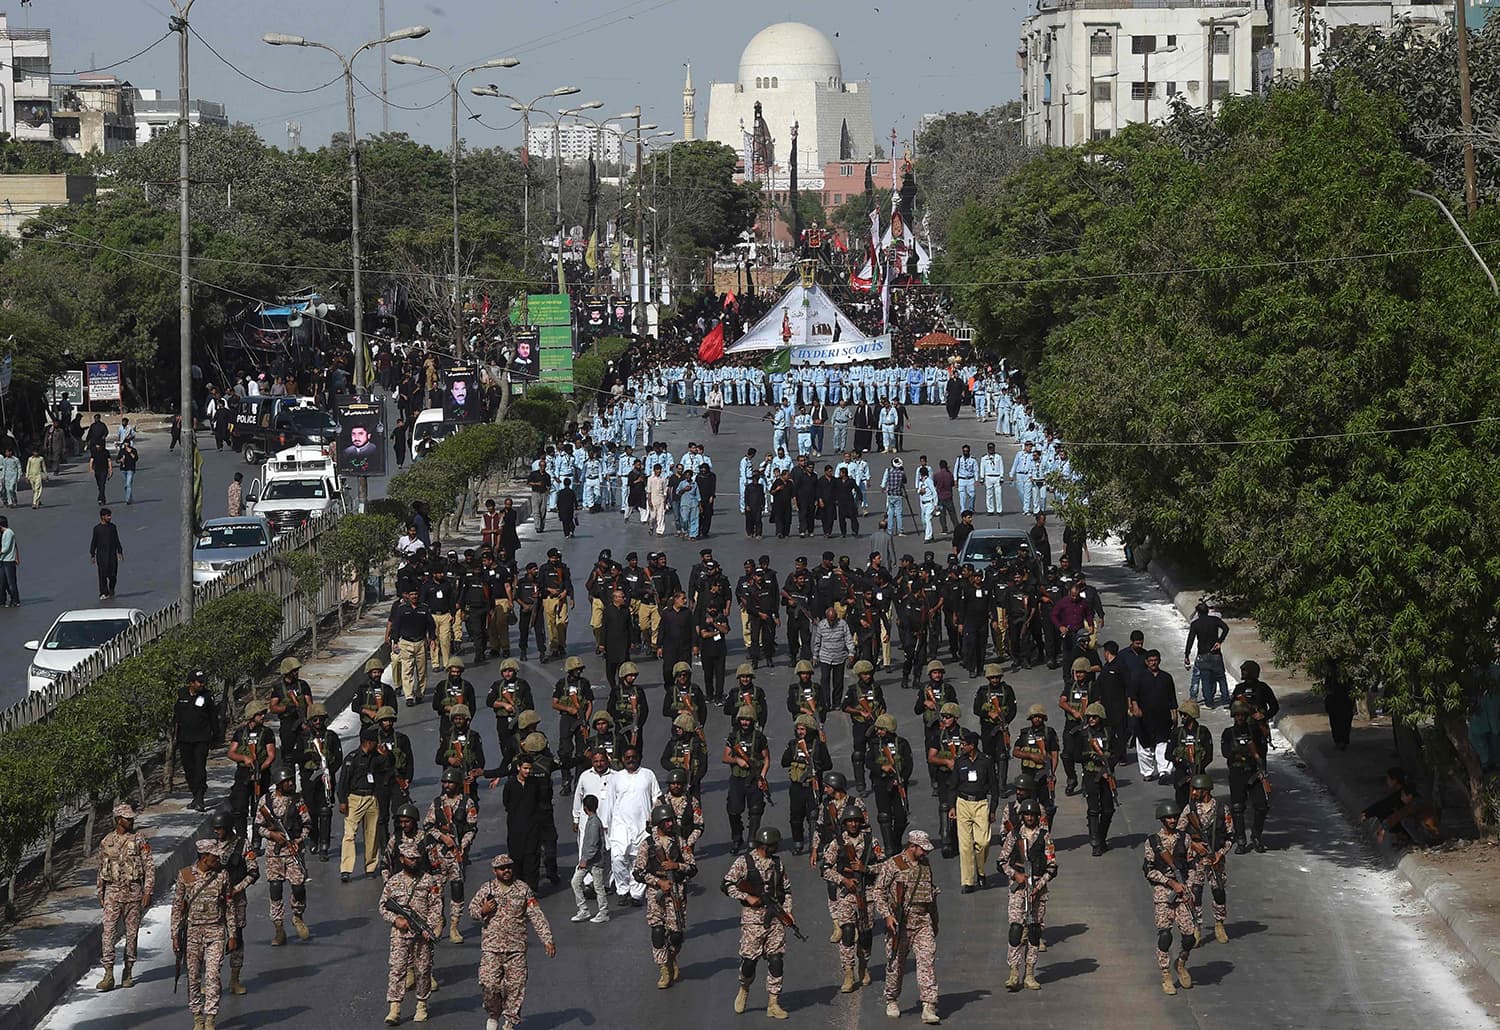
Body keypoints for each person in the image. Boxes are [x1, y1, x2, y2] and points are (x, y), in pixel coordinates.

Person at [471, 852, 556, 1030]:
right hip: (492, 947)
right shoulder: (487, 889)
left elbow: (536, 915)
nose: (506, 870)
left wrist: (547, 939)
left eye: (509, 867)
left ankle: (509, 1021)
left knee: (516, 988)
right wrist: (483, 910)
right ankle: (493, 1014)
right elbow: (472, 910)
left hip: (516, 948)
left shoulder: (523, 889)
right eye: (502, 868)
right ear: (495, 871)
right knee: (488, 984)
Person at [872, 829, 942, 1024]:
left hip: (922, 921)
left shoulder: (925, 865)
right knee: (895, 964)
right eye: (922, 849)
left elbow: (930, 894)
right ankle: (892, 998)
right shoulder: (893, 864)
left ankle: (929, 1005)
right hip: (900, 923)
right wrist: (886, 915)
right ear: (912, 846)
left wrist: (935, 921)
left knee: (927, 963)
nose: (925, 853)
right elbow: (878, 892)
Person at [723, 826, 794, 1019]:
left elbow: (786, 890)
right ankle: (744, 988)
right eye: (774, 845)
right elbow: (727, 884)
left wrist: (787, 912)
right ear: (765, 845)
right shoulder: (744, 862)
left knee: (776, 960)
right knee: (749, 963)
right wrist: (746, 897)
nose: (777, 847)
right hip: (753, 919)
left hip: (775, 918)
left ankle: (773, 1003)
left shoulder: (778, 864)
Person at [380, 835, 443, 1027]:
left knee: (423, 971)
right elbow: (383, 906)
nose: (413, 861)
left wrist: (429, 927)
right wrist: (396, 919)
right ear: (402, 859)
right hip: (399, 935)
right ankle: (395, 1008)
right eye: (410, 858)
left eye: (416, 858)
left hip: (421, 935)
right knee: (397, 969)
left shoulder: (429, 881)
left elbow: (436, 907)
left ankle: (422, 1004)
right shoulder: (393, 882)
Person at [820, 803, 883, 993]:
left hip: (867, 894)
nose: (853, 824)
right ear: (845, 823)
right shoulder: (837, 844)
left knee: (865, 935)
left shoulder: (872, 842)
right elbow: (825, 869)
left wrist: (867, 869)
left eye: (856, 821)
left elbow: (886, 866)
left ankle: (863, 965)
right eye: (850, 821)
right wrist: (843, 880)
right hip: (847, 895)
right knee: (847, 932)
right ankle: (848, 971)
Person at [634, 803, 698, 988]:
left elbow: (693, 868)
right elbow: (638, 872)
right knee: (657, 931)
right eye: (666, 821)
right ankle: (663, 969)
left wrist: (677, 866)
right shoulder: (648, 844)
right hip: (656, 893)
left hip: (676, 892)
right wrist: (658, 882)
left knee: (676, 934)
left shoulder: (680, 842)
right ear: (658, 823)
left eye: (671, 820)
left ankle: (671, 957)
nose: (670, 824)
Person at [171, 840, 231, 1030]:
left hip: (216, 931)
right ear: (204, 857)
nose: (218, 859)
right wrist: (174, 934)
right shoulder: (185, 875)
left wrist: (234, 933)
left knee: (213, 976)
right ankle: (197, 1017)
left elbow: (229, 905)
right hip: (193, 933)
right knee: (194, 977)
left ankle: (210, 1018)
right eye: (214, 856)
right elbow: (177, 907)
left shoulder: (222, 875)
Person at [95, 803, 154, 992]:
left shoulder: (138, 840)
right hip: (112, 892)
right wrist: (100, 893)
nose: (131, 821)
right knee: (108, 934)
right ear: (118, 820)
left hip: (133, 892)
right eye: (127, 818)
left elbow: (149, 866)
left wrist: (147, 891)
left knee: (131, 934)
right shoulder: (106, 841)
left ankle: (128, 969)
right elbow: (100, 869)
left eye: (131, 818)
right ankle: (108, 973)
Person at [998, 799, 1055, 993]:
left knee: (1034, 931)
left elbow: (1052, 867)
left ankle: (1030, 972)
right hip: (1018, 888)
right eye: (1026, 815)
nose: (1029, 818)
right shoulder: (1014, 836)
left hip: (1037, 889)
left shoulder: (1045, 837)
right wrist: (1016, 875)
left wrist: (1038, 886)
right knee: (1015, 929)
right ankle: (1014, 971)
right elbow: (1002, 861)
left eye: (1032, 815)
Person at [1144, 801, 1197, 995]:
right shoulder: (1153, 842)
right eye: (1169, 818)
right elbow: (1148, 870)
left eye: (1175, 817)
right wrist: (1169, 882)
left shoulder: (1185, 839)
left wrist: (1187, 886)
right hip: (1163, 895)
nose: (1173, 820)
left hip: (1182, 893)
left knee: (1190, 936)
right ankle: (1165, 973)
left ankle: (1181, 963)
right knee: (1165, 935)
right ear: (1162, 820)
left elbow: (1191, 865)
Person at [256, 765, 311, 945]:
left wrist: (298, 840)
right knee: (275, 889)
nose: (290, 784)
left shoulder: (297, 801)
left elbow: (307, 824)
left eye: (291, 781)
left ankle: (298, 915)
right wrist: (272, 835)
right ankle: (278, 928)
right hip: (274, 853)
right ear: (278, 783)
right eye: (286, 781)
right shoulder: (266, 801)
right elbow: (258, 826)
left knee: (298, 887)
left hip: (294, 851)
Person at [210, 806, 259, 998]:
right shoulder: (211, 847)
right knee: (214, 940)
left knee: (236, 938)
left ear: (228, 827)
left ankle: (235, 979)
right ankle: (213, 980)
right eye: (215, 828)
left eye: (220, 828)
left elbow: (254, 872)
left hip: (236, 901)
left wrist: (236, 889)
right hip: (215, 901)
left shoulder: (242, 845)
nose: (217, 832)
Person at [603, 745, 661, 907]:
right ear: (622, 759)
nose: (631, 760)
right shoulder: (616, 778)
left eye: (633, 757)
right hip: (619, 826)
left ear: (639, 758)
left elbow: (657, 798)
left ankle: (636, 894)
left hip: (642, 827)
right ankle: (623, 890)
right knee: (618, 859)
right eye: (627, 757)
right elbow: (609, 803)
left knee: (639, 861)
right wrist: (606, 825)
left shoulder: (648, 775)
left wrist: (655, 822)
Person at [1184, 774, 1233, 943]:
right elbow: (1178, 833)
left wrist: (1221, 853)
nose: (1193, 792)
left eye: (1197, 789)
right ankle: (1196, 927)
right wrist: (1193, 845)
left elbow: (1230, 836)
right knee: (1195, 892)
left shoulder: (1221, 808)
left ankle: (1219, 923)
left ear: (1205, 791)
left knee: (1218, 891)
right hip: (1196, 860)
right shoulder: (1189, 809)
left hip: (1215, 859)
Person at [951, 731, 996, 892]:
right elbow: (953, 785)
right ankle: (968, 882)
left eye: (964, 744)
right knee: (965, 846)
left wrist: (993, 809)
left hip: (980, 804)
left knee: (983, 842)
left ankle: (981, 871)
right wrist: (951, 807)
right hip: (962, 803)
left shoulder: (986, 761)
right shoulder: (959, 761)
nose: (962, 746)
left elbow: (994, 786)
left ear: (973, 745)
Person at [175, 669, 222, 811]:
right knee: (189, 769)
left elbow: (213, 717)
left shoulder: (207, 696)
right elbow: (176, 715)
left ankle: (200, 797)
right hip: (184, 738)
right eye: (199, 682)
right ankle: (195, 795)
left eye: (203, 682)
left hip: (201, 738)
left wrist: (217, 736)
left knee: (199, 768)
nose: (202, 684)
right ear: (191, 683)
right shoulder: (181, 694)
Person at [571, 791, 610, 924]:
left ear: (584, 807)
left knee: (598, 888)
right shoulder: (593, 821)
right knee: (576, 882)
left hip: (593, 862)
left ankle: (603, 912)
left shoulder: (593, 823)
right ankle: (584, 910)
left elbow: (593, 844)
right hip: (590, 861)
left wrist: (584, 860)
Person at [89, 507, 124, 599]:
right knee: (102, 575)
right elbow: (94, 542)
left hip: (112, 555)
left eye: (110, 516)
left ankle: (111, 588)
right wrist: (92, 554)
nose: (109, 517)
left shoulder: (112, 527)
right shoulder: (97, 529)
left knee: (113, 575)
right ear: (102, 517)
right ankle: (103, 592)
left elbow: (116, 540)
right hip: (101, 556)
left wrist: (120, 551)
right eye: (107, 516)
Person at [0, 516, 18, 607]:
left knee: (11, 583)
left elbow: (5, 548)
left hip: (9, 561)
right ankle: (2, 600)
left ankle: (15, 600)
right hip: (2, 561)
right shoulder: (2, 533)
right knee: (2, 582)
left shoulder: (9, 533)